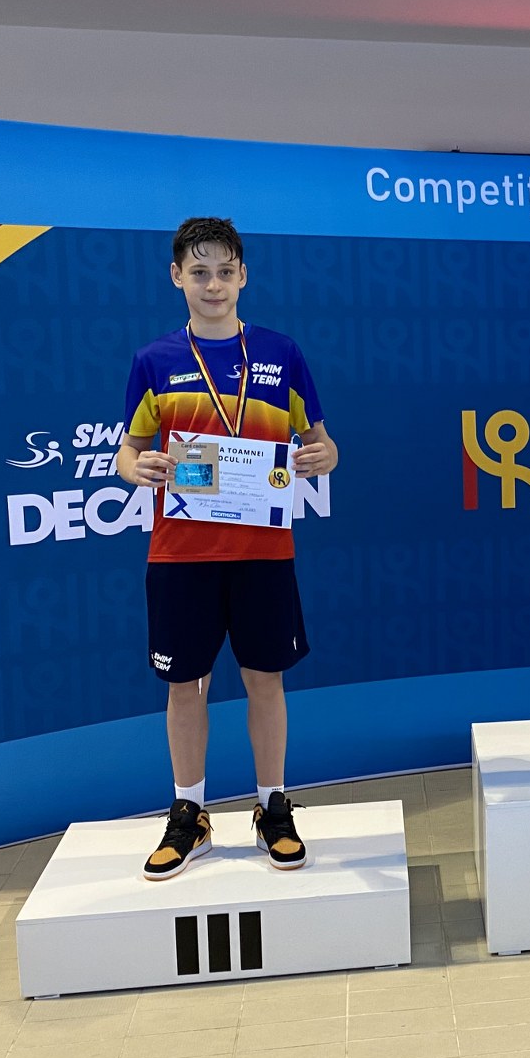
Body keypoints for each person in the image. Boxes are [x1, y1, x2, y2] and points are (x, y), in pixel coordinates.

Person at [117, 217, 338, 878]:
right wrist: (137, 468)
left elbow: (321, 442)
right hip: (181, 553)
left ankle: (272, 806)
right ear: (177, 278)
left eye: (223, 272)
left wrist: (323, 456)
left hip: (262, 553)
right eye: (199, 272)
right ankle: (190, 814)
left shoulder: (281, 353)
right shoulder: (154, 361)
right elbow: (128, 451)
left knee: (265, 679)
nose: (212, 285)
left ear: (243, 275)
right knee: (185, 685)